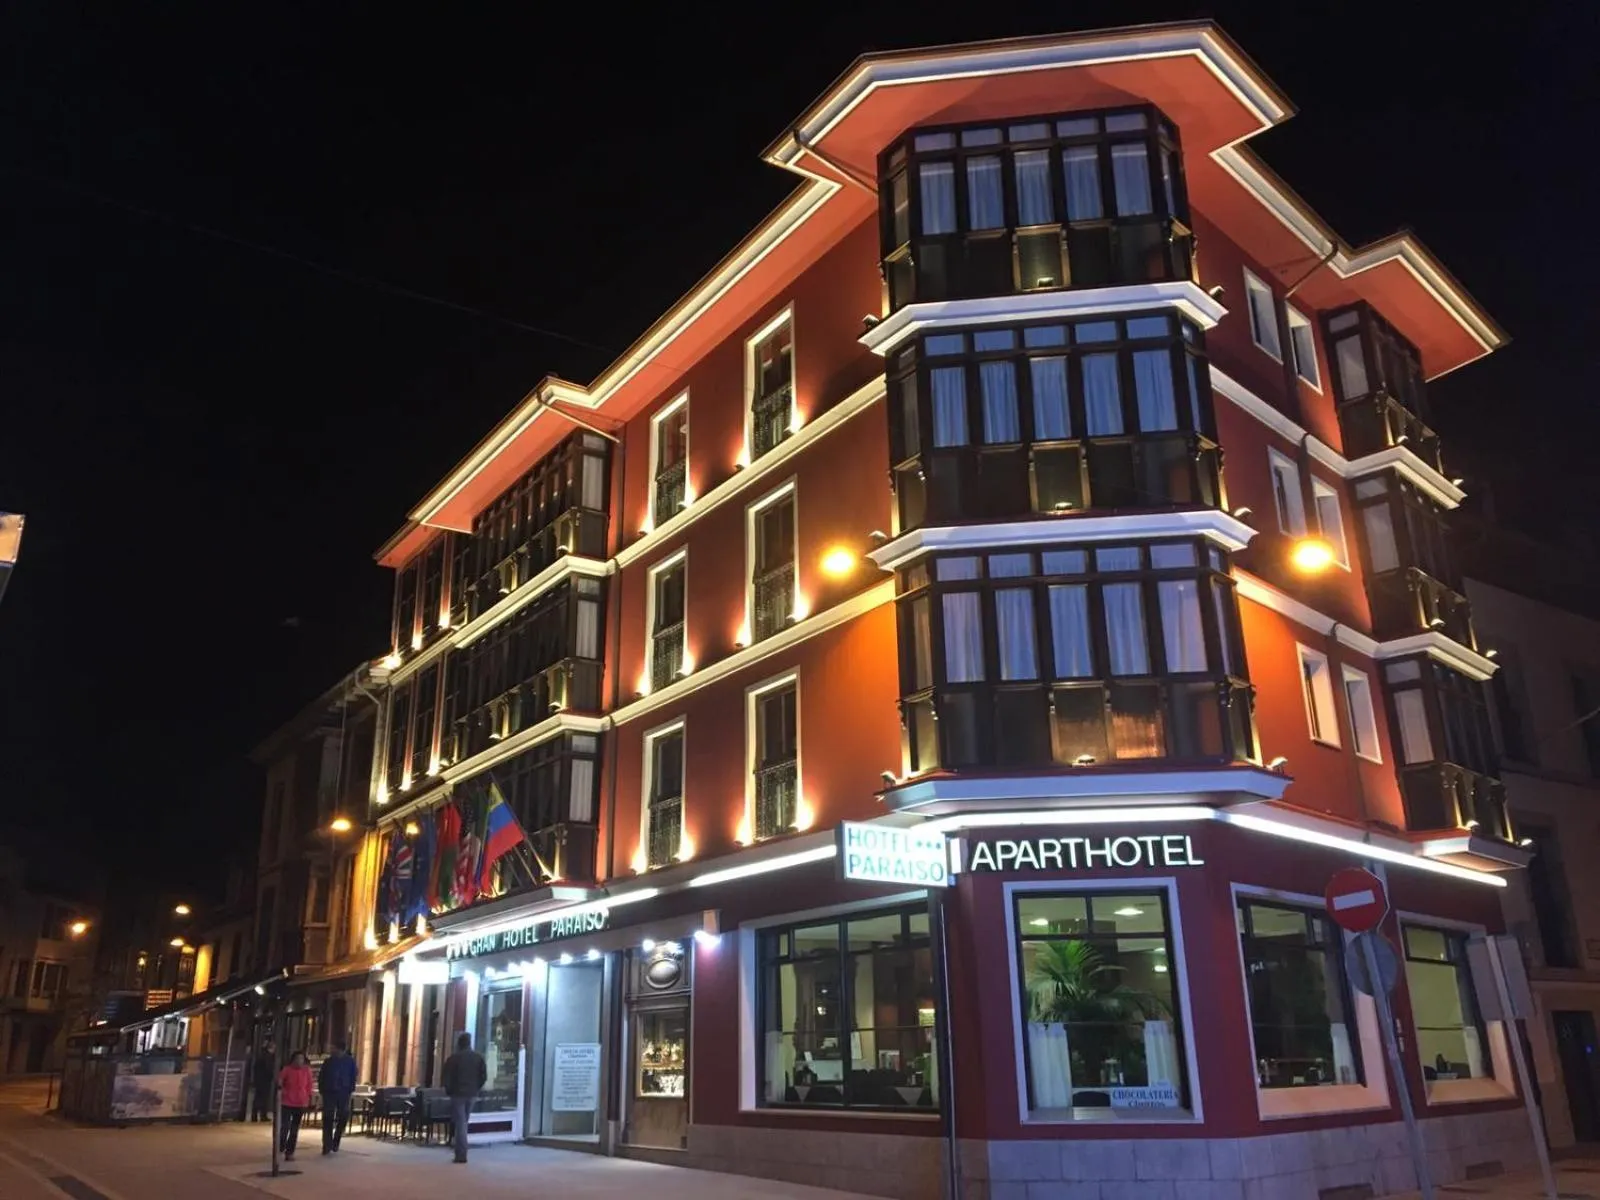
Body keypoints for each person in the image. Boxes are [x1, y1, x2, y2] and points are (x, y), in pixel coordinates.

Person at [440, 1032, 486, 1164]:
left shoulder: (453, 1058)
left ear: (459, 1043)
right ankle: (461, 1151)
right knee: (464, 1121)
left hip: (458, 1094)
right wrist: (476, 1088)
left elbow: (446, 1077)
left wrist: (450, 1091)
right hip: (471, 1094)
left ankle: (461, 1154)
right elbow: (483, 1076)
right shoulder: (478, 1058)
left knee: (461, 1123)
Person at [319, 1041, 358, 1154]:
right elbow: (322, 1076)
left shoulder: (350, 1061)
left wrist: (350, 1089)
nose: (332, 1050)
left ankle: (336, 1140)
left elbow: (353, 1075)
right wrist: (322, 1090)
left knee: (343, 1116)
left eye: (334, 1048)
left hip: (343, 1092)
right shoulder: (328, 1061)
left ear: (341, 1049)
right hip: (329, 1092)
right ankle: (327, 1144)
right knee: (327, 1118)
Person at [277, 1050, 314, 1161]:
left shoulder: (306, 1070)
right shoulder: (287, 1070)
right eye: (297, 1059)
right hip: (287, 1102)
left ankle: (290, 1152)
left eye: (301, 1059)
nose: (299, 1061)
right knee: (285, 1127)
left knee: (294, 1129)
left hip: (300, 1103)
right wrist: (283, 1091)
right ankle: (281, 1145)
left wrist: (308, 1098)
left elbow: (309, 1085)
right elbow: (280, 1082)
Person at [250, 1046, 276, 1123]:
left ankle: (254, 1116)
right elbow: (268, 1069)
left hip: (259, 1081)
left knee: (257, 1099)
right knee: (264, 1099)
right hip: (264, 1081)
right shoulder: (268, 1057)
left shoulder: (261, 1056)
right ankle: (262, 1116)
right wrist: (271, 1076)